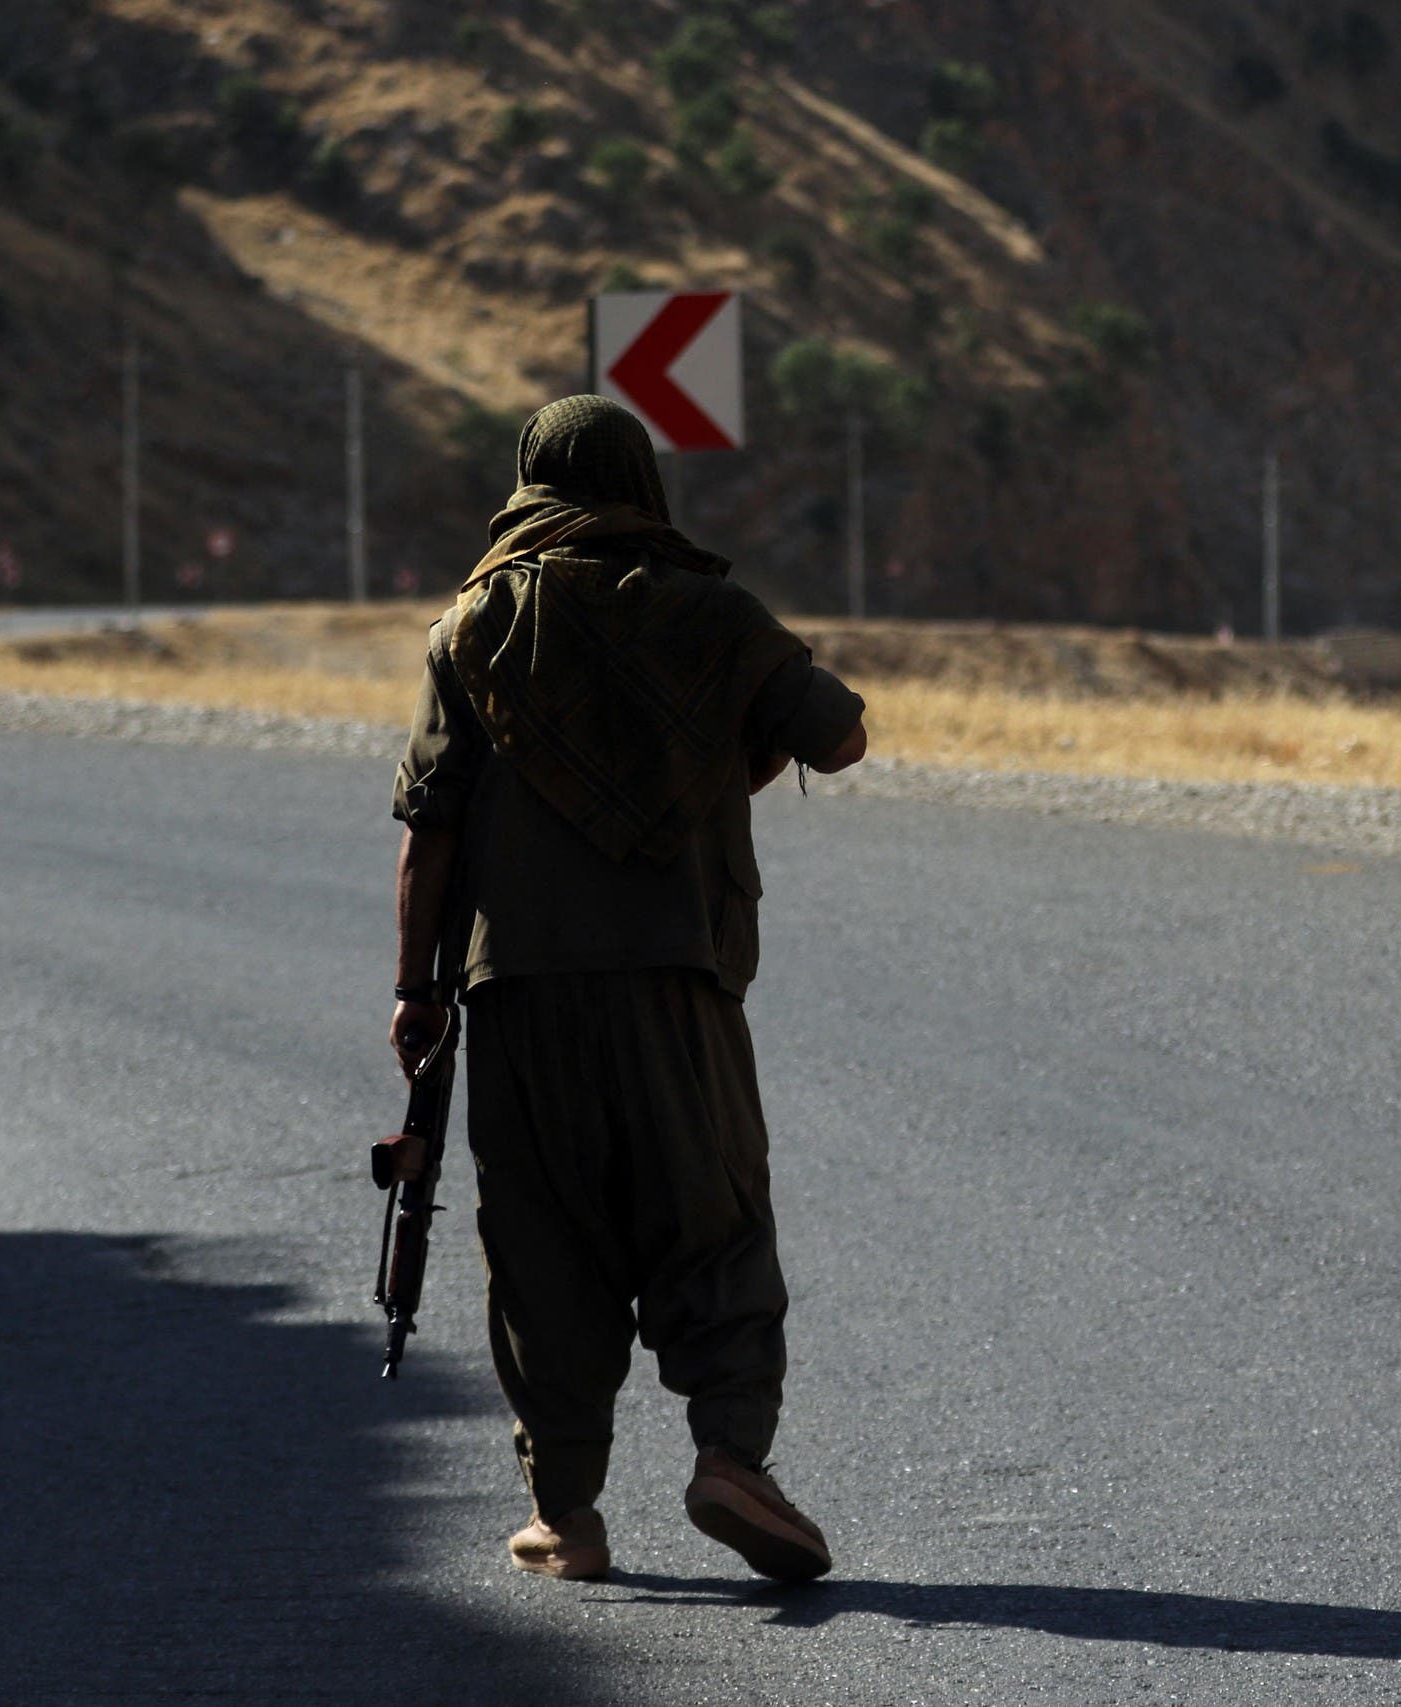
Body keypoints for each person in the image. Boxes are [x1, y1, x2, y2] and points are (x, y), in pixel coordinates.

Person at [388, 395, 868, 1581]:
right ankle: (729, 1460)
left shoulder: (473, 630)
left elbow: (428, 832)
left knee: (543, 1246)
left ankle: (568, 1514)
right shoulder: (713, 615)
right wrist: (722, 762)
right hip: (678, 988)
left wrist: (416, 991)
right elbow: (839, 736)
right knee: (712, 1222)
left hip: (519, 999)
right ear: (640, 482)